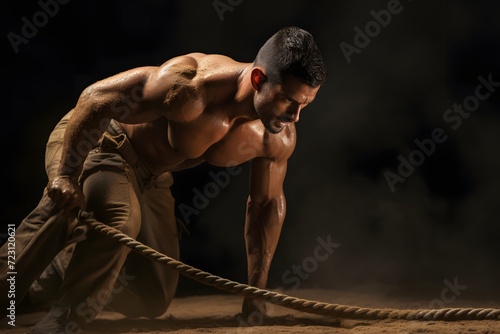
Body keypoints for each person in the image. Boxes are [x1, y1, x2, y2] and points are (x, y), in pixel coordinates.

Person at [0, 26, 326, 333]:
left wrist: (256, 292)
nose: (295, 116)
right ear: (258, 78)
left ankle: (54, 273)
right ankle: (64, 317)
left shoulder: (276, 137)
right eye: (288, 100)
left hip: (150, 176)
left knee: (152, 294)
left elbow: (265, 206)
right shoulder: (190, 87)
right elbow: (94, 100)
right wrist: (67, 175)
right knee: (117, 217)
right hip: (101, 143)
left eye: (305, 105)